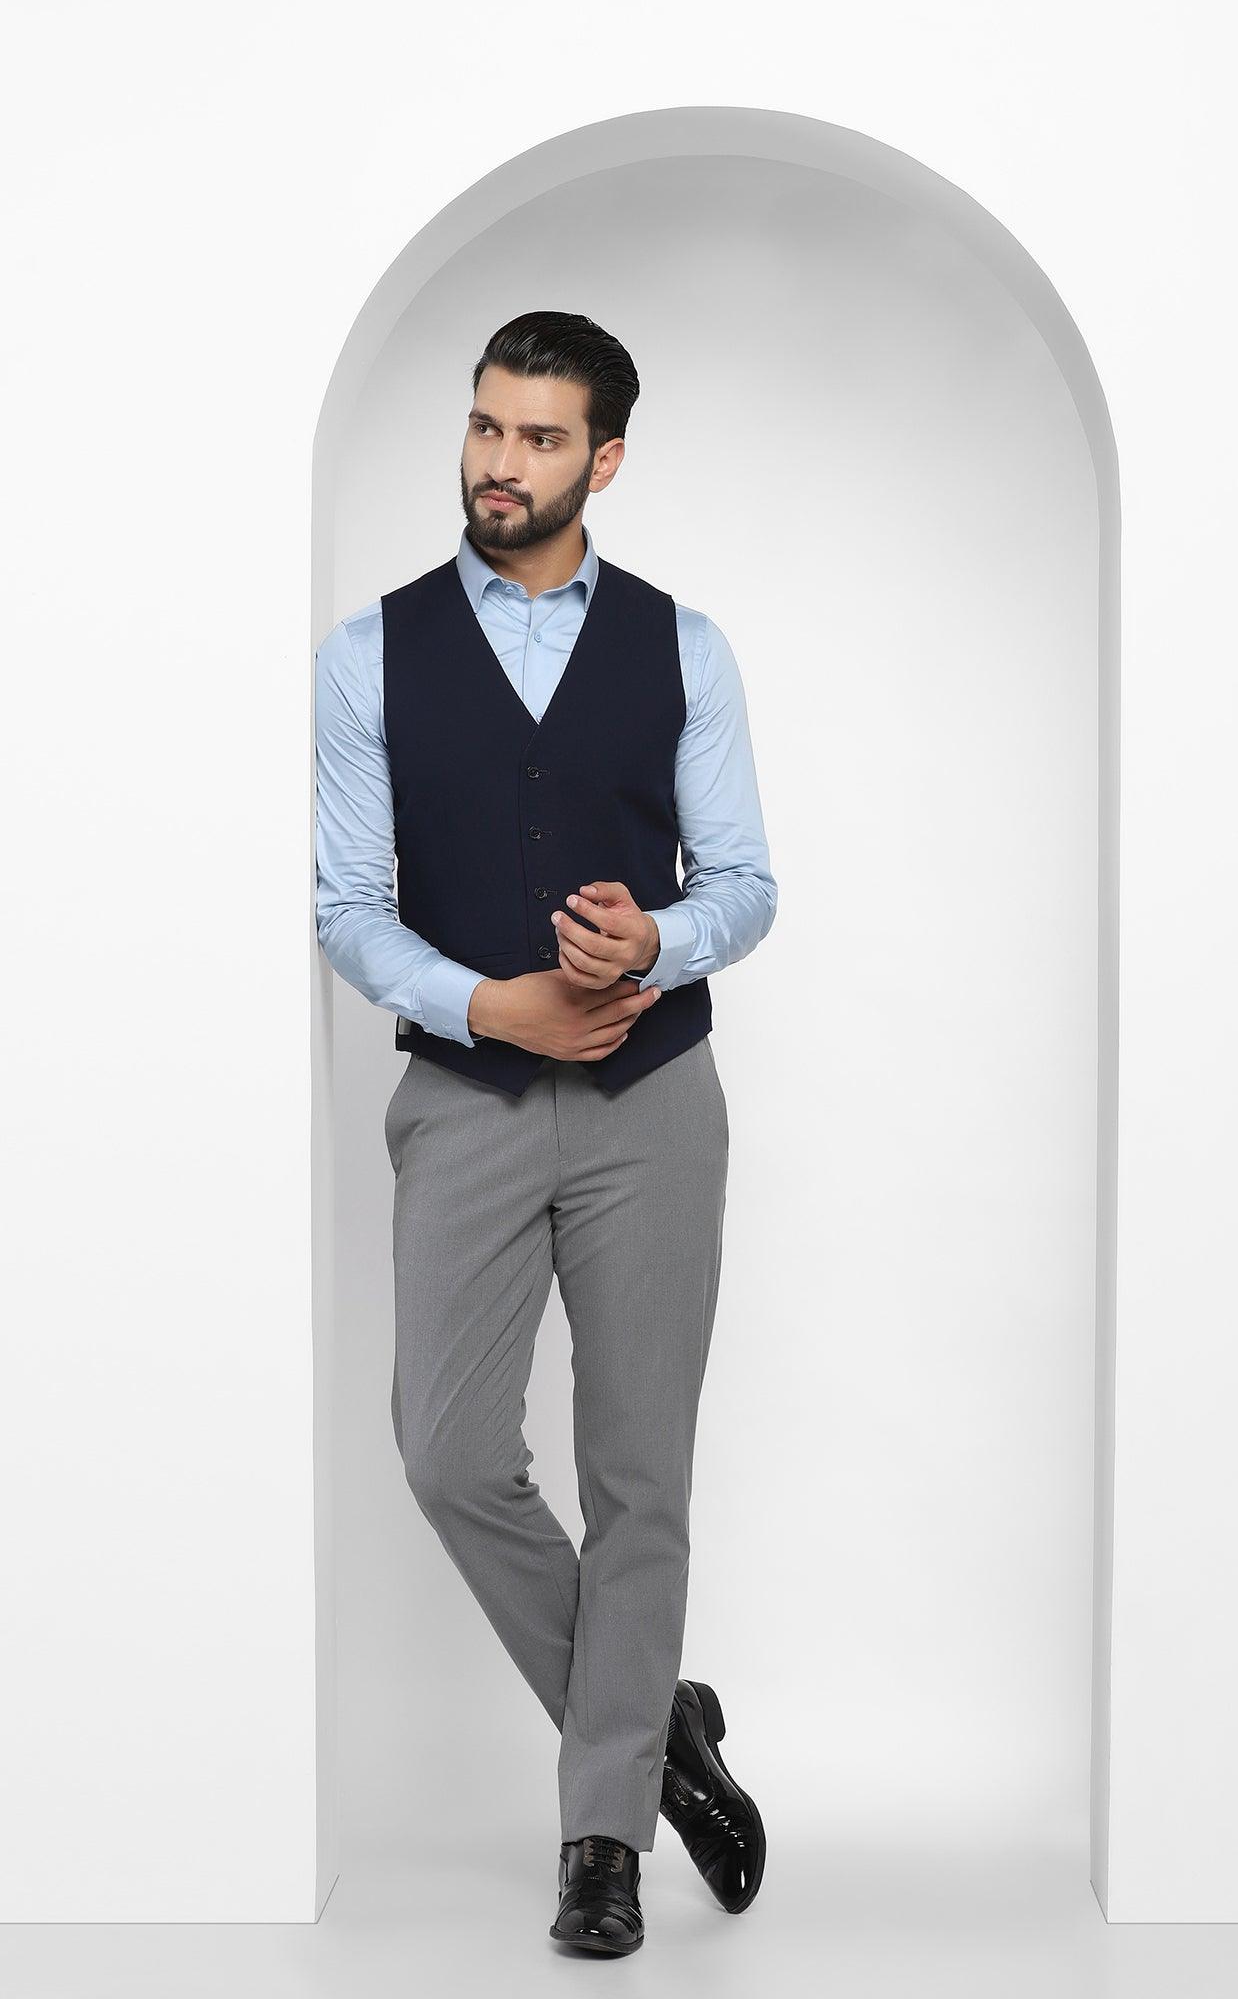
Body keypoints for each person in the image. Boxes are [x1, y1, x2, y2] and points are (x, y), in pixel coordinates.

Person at [314, 310, 777, 1957]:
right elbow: (347, 906)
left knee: (639, 1473)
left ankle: (602, 1843)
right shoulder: (368, 655)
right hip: (468, 1100)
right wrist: (486, 1006)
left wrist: (659, 940)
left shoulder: (685, 648)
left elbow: (745, 885)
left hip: (656, 1105)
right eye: (485, 427)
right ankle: (658, 1725)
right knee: (448, 1453)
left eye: (538, 437)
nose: (499, 464)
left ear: (606, 459)